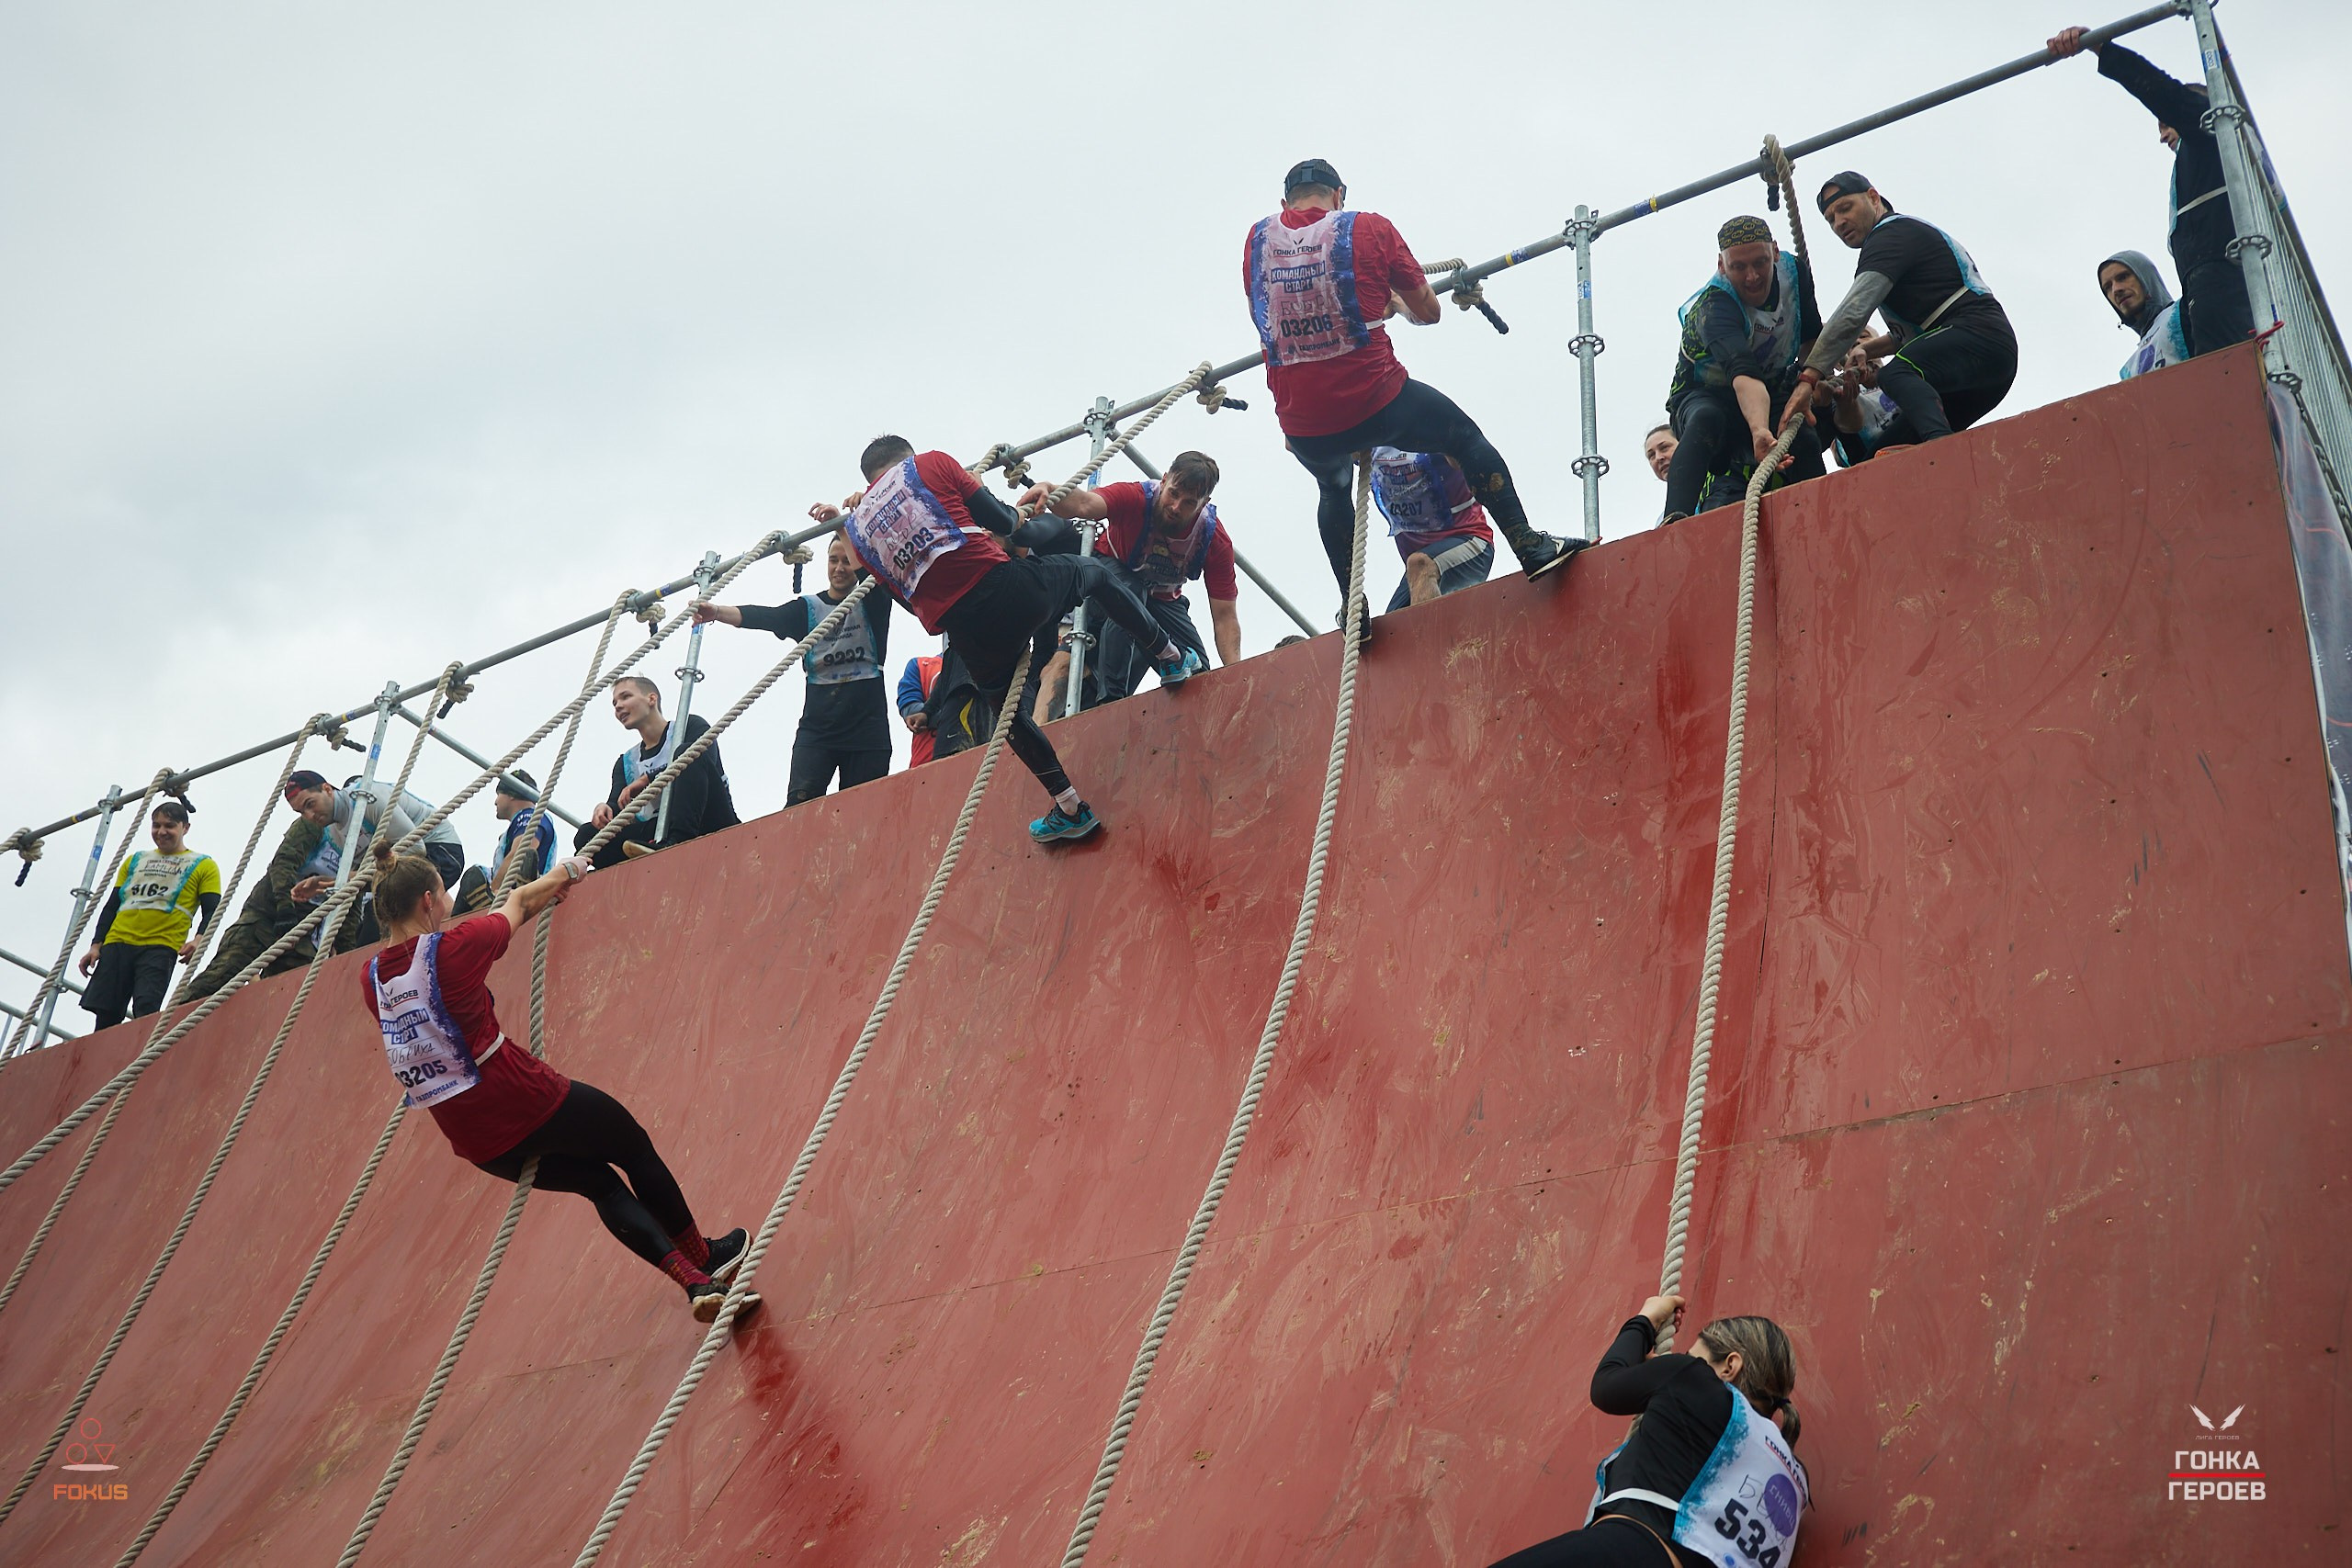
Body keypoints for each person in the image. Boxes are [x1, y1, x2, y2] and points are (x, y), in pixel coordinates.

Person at [356, 840, 752, 1323]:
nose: (447, 906)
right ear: (426, 901)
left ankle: (693, 1283)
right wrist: (569, 870)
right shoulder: (454, 949)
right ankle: (704, 1256)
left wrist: (540, 895)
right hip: (519, 1095)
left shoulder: (370, 977)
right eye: (444, 895)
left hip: (474, 1137)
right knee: (632, 1145)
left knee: (600, 1185)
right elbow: (516, 904)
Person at [1244, 158, 1587, 621]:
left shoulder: (1257, 240)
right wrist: (1395, 304)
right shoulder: (1368, 228)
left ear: (1284, 204)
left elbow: (1279, 311)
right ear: (1339, 196)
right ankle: (1528, 544)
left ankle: (1352, 607)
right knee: (1464, 438)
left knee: (1332, 488)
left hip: (1302, 421)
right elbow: (1429, 312)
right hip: (1375, 400)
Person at [838, 434, 1197, 844]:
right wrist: (1024, 518)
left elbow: (908, 601)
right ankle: (1169, 656)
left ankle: (1069, 807)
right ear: (908, 456)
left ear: (868, 478)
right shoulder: (931, 464)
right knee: (1095, 574)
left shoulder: (859, 535)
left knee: (1010, 718)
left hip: (966, 632)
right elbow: (1006, 524)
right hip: (1007, 588)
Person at [1487, 1293, 1806, 1568]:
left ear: (1730, 1366)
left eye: (1693, 1355)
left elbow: (1606, 1386)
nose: (1685, 1360)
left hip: (1636, 1550)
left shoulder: (1691, 1377)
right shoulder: (1794, 1478)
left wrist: (1645, 1320)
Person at [2049, 27, 2255, 358]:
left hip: (2221, 281)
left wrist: (2101, 48)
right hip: (2207, 286)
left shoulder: (2210, 129)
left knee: (2227, 381)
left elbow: (2162, 90)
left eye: (2166, 124)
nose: (2162, 137)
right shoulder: (2207, 164)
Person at [1781, 174, 2018, 451]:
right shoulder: (1899, 240)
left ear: (1873, 198)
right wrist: (1868, 351)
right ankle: (1939, 454)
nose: (1839, 223)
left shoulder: (1890, 236)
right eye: (1831, 219)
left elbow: (1853, 313)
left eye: (1845, 208)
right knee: (1882, 455)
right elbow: (1916, 331)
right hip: (1976, 364)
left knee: (1894, 375)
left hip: (1979, 336)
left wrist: (1808, 378)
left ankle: (1941, 452)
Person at [1017, 450, 1236, 705]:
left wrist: (1239, 672)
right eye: (1173, 494)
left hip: (1163, 597)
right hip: (1110, 576)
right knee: (1131, 593)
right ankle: (1111, 698)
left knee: (1197, 673)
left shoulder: (1212, 538)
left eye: (1189, 503)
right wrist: (1050, 489)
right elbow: (1084, 504)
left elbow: (1225, 617)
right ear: (1164, 481)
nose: (1176, 507)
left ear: (1204, 503)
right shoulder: (1137, 497)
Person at [694, 534, 896, 807]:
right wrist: (716, 612)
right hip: (818, 730)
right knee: (799, 807)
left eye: (846, 561)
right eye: (833, 560)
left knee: (863, 809)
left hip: (867, 730)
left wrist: (842, 525)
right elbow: (766, 617)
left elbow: (869, 574)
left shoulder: (874, 601)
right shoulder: (809, 609)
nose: (839, 568)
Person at [1661, 216, 1826, 522]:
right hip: (1708, 396)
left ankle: (1821, 513)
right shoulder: (1714, 306)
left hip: (1772, 386)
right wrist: (1759, 430)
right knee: (1707, 419)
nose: (1752, 277)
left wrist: (1812, 382)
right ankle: (1675, 519)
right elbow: (1744, 376)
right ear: (1722, 266)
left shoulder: (1794, 273)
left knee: (1802, 435)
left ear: (1775, 253)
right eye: (1738, 267)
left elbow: (1811, 338)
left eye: (1760, 263)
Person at [76, 800, 220, 1029]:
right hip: (117, 943)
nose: (161, 832)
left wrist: (199, 939)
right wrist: (96, 945)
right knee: (105, 1013)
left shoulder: (203, 864)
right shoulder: (135, 860)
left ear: (185, 828)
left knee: (146, 1008)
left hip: (160, 946)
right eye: (156, 826)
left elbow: (212, 908)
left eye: (169, 826)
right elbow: (113, 906)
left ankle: (141, 1060)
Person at [577, 676, 741, 868]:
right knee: (586, 835)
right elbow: (618, 803)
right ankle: (647, 855)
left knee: (687, 753)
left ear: (651, 699)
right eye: (615, 703)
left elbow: (703, 760)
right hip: (658, 829)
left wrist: (649, 779)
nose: (618, 706)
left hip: (708, 819)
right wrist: (605, 809)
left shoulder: (691, 726)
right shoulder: (626, 762)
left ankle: (678, 843)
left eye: (625, 697)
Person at [183, 814, 327, 998]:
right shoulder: (315, 823)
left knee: (293, 993)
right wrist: (285, 909)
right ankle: (173, 1022)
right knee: (218, 979)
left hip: (304, 932)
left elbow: (352, 897)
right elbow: (283, 864)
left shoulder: (357, 845)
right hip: (264, 917)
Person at [284, 770, 468, 909]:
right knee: (375, 918)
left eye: (310, 804)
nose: (309, 815)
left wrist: (345, 879)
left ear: (327, 789)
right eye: (301, 812)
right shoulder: (331, 834)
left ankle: (462, 908)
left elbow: (415, 849)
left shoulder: (366, 797)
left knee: (393, 908)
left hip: (440, 849)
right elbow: (366, 879)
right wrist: (325, 883)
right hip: (401, 865)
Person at [1369, 447, 1496, 608]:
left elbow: (1468, 452)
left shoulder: (1433, 427)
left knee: (1419, 564)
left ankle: (1430, 632)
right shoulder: (1373, 442)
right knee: (1394, 626)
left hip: (1470, 542)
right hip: (1419, 569)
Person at [457, 771, 561, 913]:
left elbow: (519, 854)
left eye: (499, 794)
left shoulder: (529, 817)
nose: (495, 801)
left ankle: (489, 904)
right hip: (509, 890)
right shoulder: (525, 821)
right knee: (474, 876)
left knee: (474, 877)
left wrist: (493, 891)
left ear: (511, 794)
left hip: (516, 892)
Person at [2098, 250, 2189, 379]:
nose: (2116, 290)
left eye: (2123, 277)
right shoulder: (2129, 370)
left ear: (2146, 277)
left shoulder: (2186, 311)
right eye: (2108, 287)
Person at [899, 648, 991, 766]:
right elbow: (910, 711)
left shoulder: (989, 661)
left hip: (983, 757)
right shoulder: (920, 664)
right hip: (925, 763)